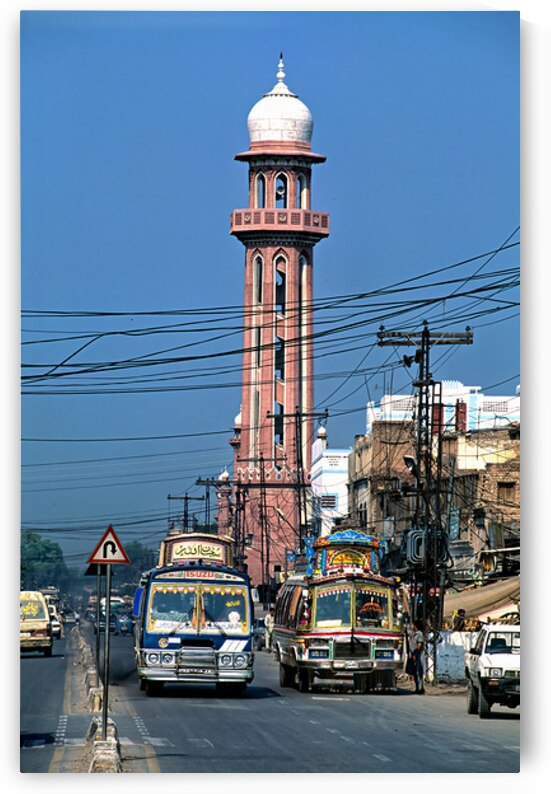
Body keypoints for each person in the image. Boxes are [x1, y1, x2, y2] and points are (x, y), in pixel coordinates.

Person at [409, 620, 425, 694]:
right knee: (415, 672)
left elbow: (419, 646)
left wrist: (415, 654)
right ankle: (417, 688)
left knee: (419, 672)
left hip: (418, 656)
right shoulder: (413, 634)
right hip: (414, 655)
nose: (412, 627)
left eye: (413, 625)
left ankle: (420, 688)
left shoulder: (420, 634)